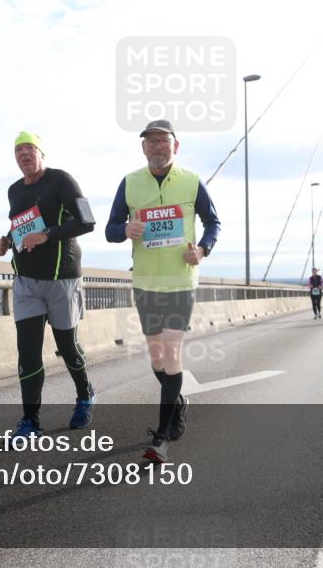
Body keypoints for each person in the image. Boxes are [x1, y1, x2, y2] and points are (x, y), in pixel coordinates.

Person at [106, 120, 220, 465]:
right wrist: (126, 229)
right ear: (143, 148)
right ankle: (178, 401)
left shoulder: (191, 182)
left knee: (171, 354)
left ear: (175, 146)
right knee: (157, 358)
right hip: (145, 282)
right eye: (151, 142)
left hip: (180, 282)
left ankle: (161, 438)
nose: (157, 147)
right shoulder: (129, 183)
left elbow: (213, 222)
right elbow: (110, 230)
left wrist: (202, 250)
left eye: (163, 141)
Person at [0, 132, 97, 441]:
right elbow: (21, 228)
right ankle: (30, 420)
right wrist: (5, 241)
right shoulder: (14, 190)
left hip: (62, 278)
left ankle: (84, 393)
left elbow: (87, 221)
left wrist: (48, 235)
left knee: (67, 346)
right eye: (18, 150)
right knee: (27, 352)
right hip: (25, 279)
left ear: (41, 153)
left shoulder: (61, 181)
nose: (24, 154)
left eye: (29, 149)